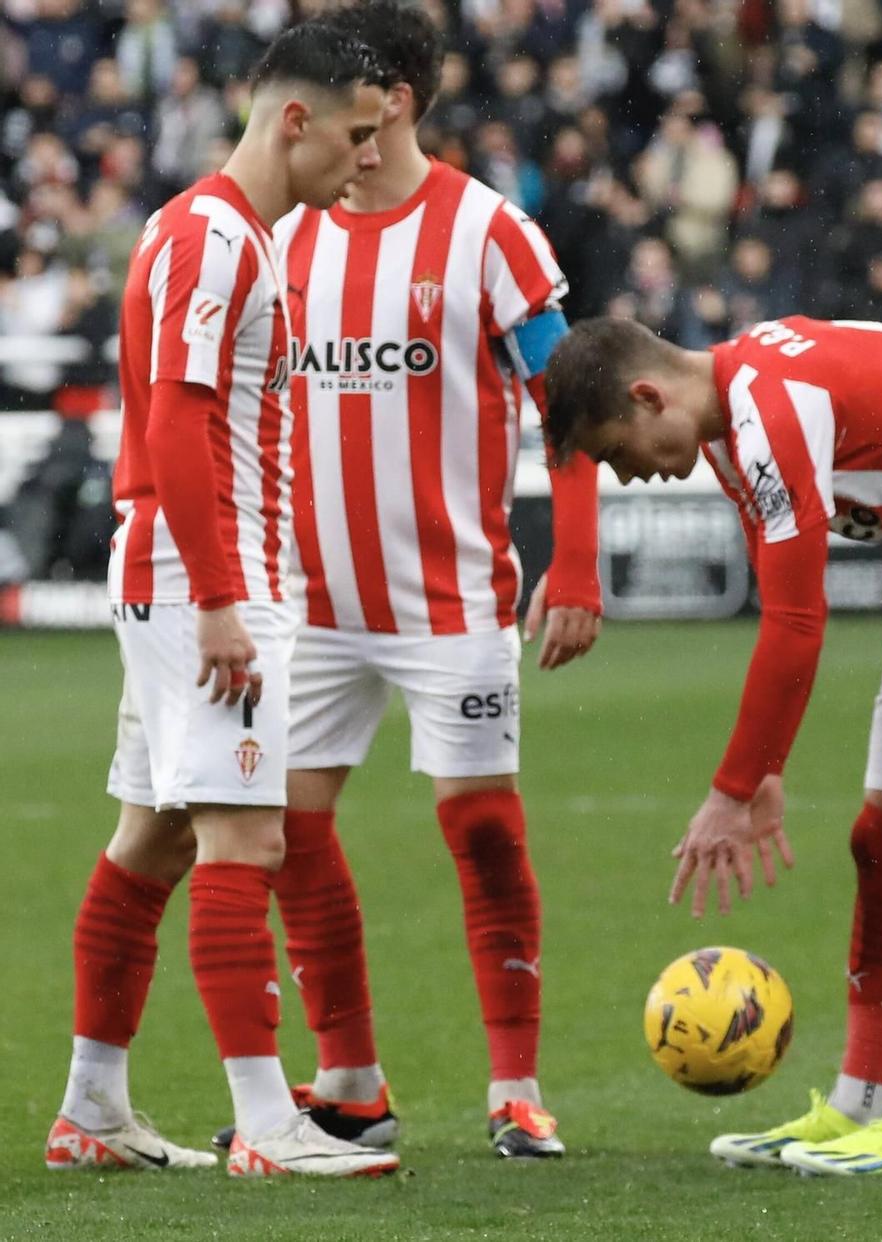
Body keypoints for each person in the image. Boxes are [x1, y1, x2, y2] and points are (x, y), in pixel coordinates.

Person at [539, 315, 882, 1177]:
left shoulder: (770, 411)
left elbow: (800, 625)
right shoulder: (734, 424)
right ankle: (861, 1106)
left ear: (648, 396)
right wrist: (768, 770)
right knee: (880, 843)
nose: (623, 475)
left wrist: (732, 791)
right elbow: (787, 608)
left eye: (616, 451)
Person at [208, 0, 600, 1162]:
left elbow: (567, 408)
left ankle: (517, 1086)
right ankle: (353, 1076)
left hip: (451, 602)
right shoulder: (283, 232)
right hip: (310, 602)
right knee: (287, 831)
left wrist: (573, 563)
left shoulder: (489, 234)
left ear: (399, 106)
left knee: (479, 826)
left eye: (360, 104)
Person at [44, 24, 397, 1179]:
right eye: (354, 133)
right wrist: (218, 597)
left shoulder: (212, 231)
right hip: (204, 577)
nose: (364, 161)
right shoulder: (218, 240)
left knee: (153, 839)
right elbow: (176, 423)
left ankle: (91, 1108)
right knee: (247, 831)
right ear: (292, 119)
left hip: (194, 572)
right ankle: (266, 1124)